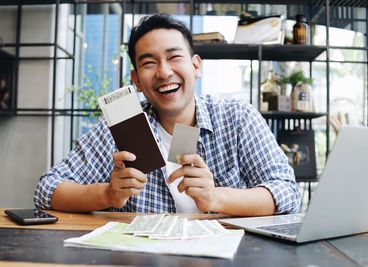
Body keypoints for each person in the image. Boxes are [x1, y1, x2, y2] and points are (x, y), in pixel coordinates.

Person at [34, 13, 300, 216]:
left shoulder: (238, 118)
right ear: (136, 80)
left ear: (195, 66)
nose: (163, 72)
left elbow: (287, 192)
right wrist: (107, 194)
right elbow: (47, 190)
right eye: (149, 63)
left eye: (174, 57)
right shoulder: (121, 125)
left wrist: (216, 198)